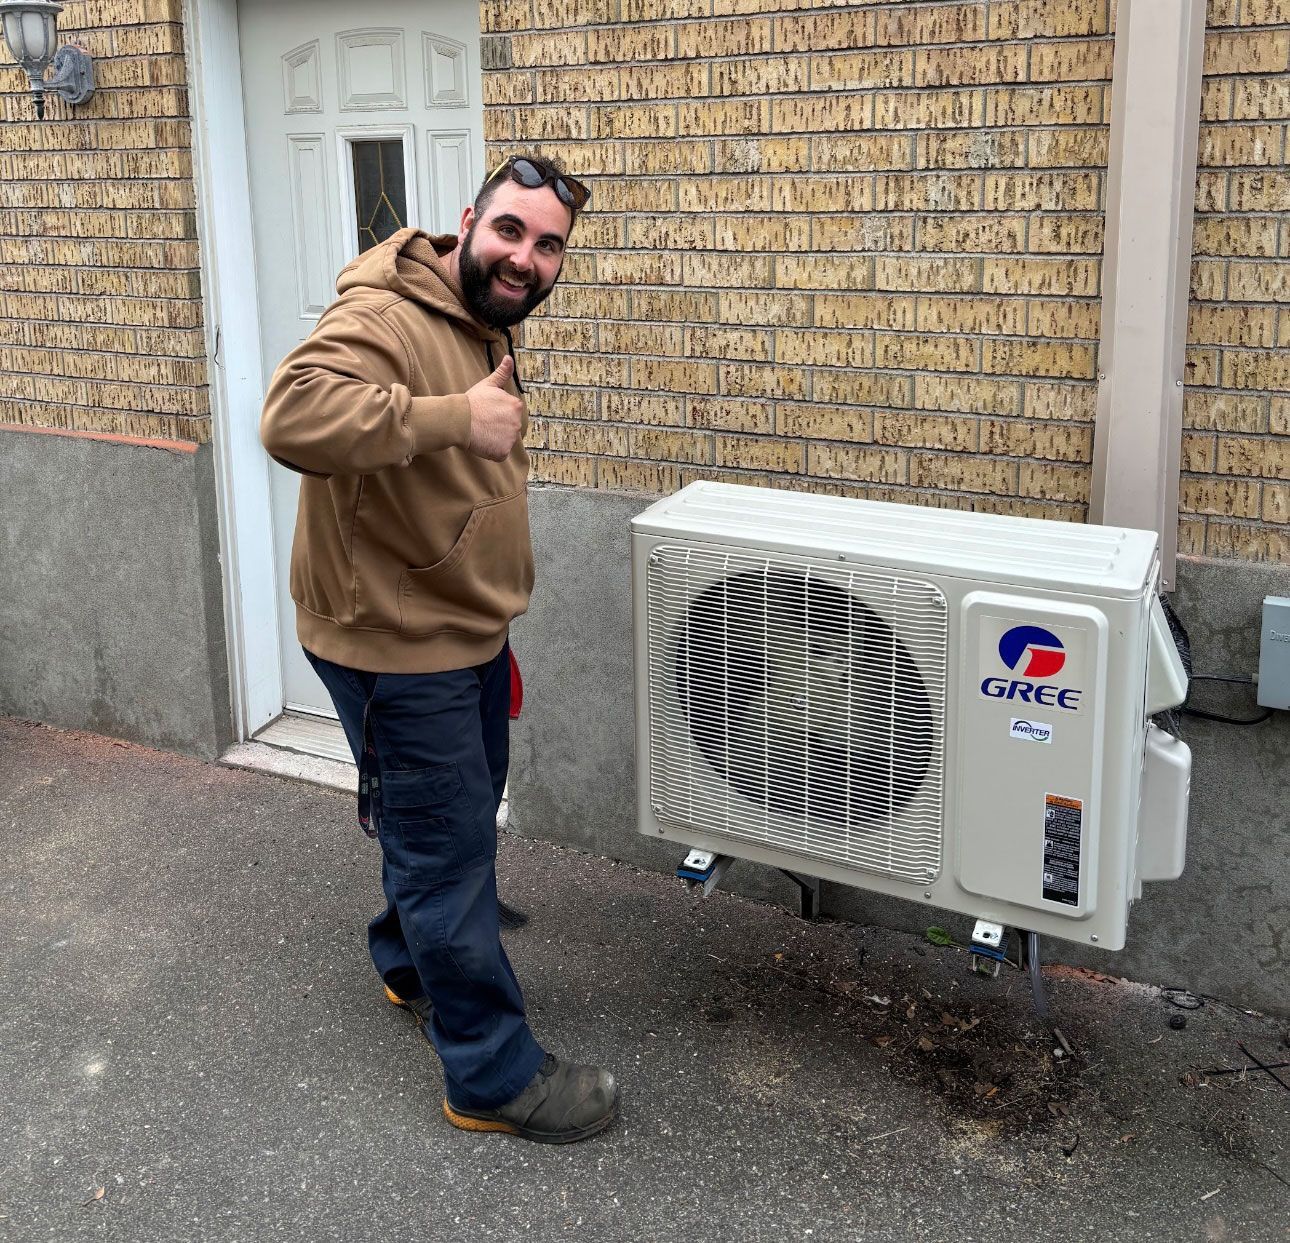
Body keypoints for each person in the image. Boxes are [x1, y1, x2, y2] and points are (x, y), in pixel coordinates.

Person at [259, 155, 618, 1144]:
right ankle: (492, 1077)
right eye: (511, 231)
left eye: (549, 246)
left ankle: (410, 963)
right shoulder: (385, 314)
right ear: (468, 221)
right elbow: (292, 417)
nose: (527, 258)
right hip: (397, 642)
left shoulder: (480, 318)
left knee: (440, 825)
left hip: (453, 628)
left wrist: (487, 622)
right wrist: (459, 416)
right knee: (447, 849)